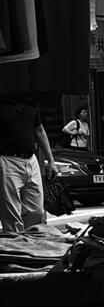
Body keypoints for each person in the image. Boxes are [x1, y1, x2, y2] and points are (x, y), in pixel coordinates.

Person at [0, 95, 56, 232]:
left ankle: (28, 239)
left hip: (31, 160)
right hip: (7, 160)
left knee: (36, 211)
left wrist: (51, 160)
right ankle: (15, 242)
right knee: (12, 216)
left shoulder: (30, 103)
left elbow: (40, 130)